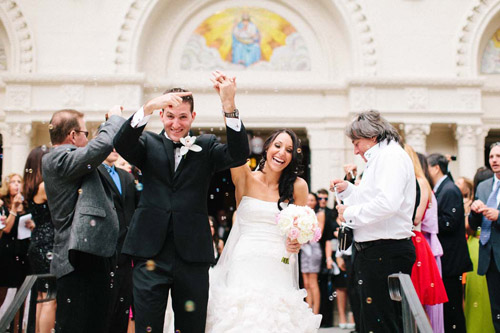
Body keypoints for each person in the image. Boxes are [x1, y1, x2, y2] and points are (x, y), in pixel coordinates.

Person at [113, 71, 249, 333]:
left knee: (191, 327)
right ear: (162, 115)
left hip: (192, 256)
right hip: (149, 253)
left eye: (183, 117)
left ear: (193, 117)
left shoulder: (206, 146)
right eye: (170, 116)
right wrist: (149, 106)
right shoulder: (147, 144)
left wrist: (229, 105)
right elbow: (121, 142)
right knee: (147, 326)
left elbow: (239, 153)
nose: (176, 124)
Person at [206, 128, 322, 331]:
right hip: (245, 257)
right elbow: (235, 147)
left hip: (279, 260)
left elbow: (300, 227)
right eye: (277, 146)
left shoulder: (298, 186)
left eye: (288, 149)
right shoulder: (245, 177)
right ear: (267, 148)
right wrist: (229, 106)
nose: (281, 153)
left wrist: (297, 241)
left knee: (275, 318)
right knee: (241, 315)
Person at [330, 110, 416, 332]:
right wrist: (348, 190)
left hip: (384, 252)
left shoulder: (391, 157)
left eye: (357, 142)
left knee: (382, 324)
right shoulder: (380, 158)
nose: (355, 150)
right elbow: (372, 199)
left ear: (373, 136)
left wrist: (349, 213)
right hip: (376, 251)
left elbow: (387, 204)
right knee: (372, 321)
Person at [42, 106, 125, 333]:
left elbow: (94, 151)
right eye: (85, 133)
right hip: (76, 258)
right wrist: (115, 120)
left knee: (95, 324)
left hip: (90, 255)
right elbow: (99, 148)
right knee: (76, 326)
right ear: (72, 135)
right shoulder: (57, 159)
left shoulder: (73, 161)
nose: (88, 139)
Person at [427, 153, 472, 333]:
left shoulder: (449, 189)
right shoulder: (442, 188)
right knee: (448, 310)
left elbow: (450, 222)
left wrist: (428, 219)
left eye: (428, 167)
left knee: (453, 309)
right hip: (446, 260)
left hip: (451, 260)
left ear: (436, 168)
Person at [405, 145, 448, 332]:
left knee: (417, 305)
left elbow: (416, 218)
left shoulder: (420, 182)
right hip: (404, 241)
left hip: (415, 241)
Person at [97, 149, 138, 333]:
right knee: (104, 310)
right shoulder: (94, 173)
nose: (114, 149)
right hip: (104, 251)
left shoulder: (126, 177)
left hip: (126, 251)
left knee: (123, 309)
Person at [23, 146, 56, 333]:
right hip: (48, 243)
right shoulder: (44, 186)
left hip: (38, 241)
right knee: (51, 298)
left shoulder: (31, 185)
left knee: (42, 296)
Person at [470, 142, 500, 332]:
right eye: (491, 157)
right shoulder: (483, 186)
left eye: (498, 156)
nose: (494, 160)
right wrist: (474, 212)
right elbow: (474, 225)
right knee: (496, 310)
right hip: (489, 258)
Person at [300, 192, 324, 314]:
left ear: (315, 202)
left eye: (312, 200)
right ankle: (308, 310)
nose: (310, 202)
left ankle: (315, 312)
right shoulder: (301, 214)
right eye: (308, 199)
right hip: (304, 249)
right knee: (306, 283)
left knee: (313, 282)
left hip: (314, 248)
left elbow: (319, 233)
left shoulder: (320, 214)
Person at [316, 188, 336, 328]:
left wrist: (329, 258)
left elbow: (329, 237)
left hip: (326, 252)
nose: (323, 201)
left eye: (325, 198)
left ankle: (327, 320)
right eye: (320, 198)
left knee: (327, 287)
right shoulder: (313, 211)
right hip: (313, 251)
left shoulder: (330, 213)